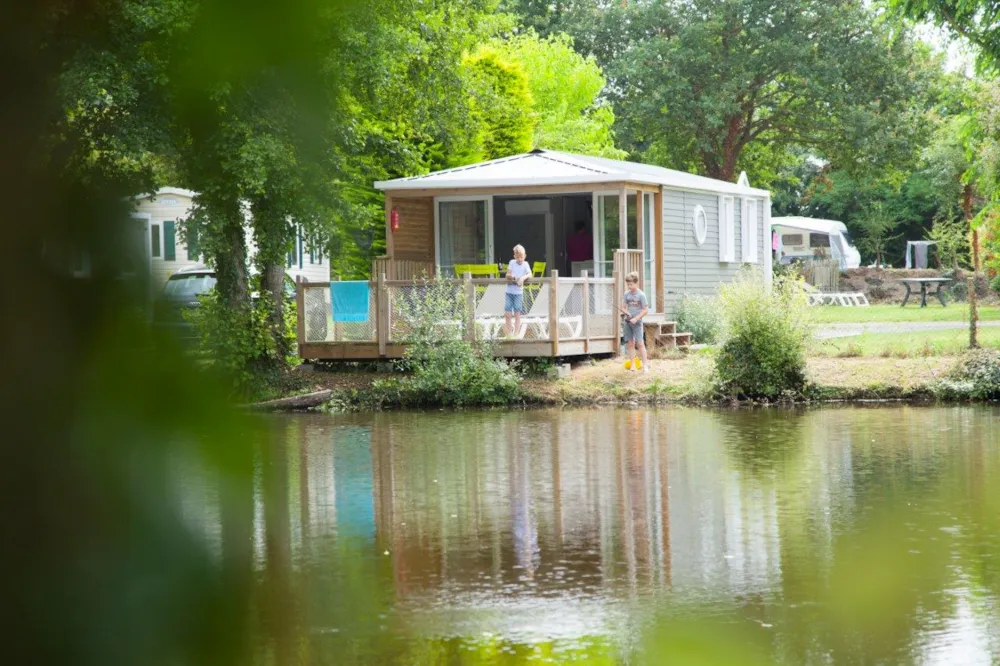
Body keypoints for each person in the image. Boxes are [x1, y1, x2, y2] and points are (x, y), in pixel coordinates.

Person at [619, 271, 649, 372]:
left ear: (636, 283)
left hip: (637, 322)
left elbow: (645, 310)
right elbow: (622, 308)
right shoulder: (626, 294)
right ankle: (633, 365)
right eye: (628, 284)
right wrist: (627, 313)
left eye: (631, 284)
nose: (629, 286)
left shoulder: (641, 295)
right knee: (630, 344)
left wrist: (636, 318)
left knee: (640, 343)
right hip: (628, 322)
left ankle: (645, 365)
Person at [505, 244, 531, 337]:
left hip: (518, 293)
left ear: (525, 256)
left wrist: (522, 278)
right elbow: (508, 274)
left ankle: (516, 334)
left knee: (517, 314)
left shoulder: (526, 264)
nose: (520, 259)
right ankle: (509, 334)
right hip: (509, 292)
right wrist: (514, 277)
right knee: (507, 314)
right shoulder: (512, 262)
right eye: (518, 257)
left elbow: (529, 274)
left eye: (522, 257)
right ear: (514, 256)